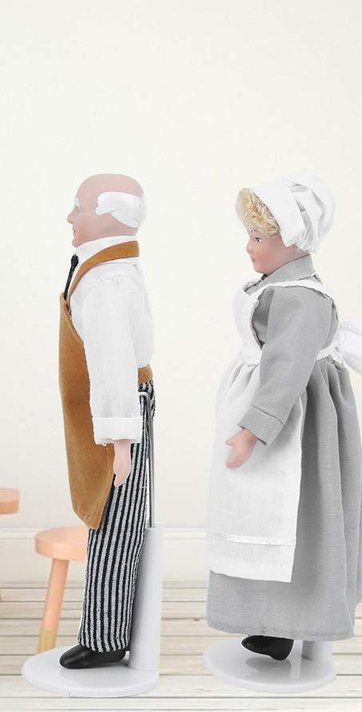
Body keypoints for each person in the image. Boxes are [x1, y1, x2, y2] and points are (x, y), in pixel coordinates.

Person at [206, 173, 362, 661]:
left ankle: (292, 620)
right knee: (268, 515)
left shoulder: (300, 297)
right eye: (251, 236)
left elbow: (288, 367)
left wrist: (254, 428)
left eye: (258, 238)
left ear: (293, 239)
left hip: (297, 421)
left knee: (296, 514)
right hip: (277, 406)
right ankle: (270, 618)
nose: (249, 247)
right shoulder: (280, 285)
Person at [58, 173, 155, 669]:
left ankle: (106, 637)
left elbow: (115, 362)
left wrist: (120, 441)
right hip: (109, 409)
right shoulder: (102, 271)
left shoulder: (108, 282)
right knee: (110, 519)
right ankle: (105, 630)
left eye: (79, 206)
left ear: (111, 214)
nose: (70, 216)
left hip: (120, 411)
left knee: (115, 522)